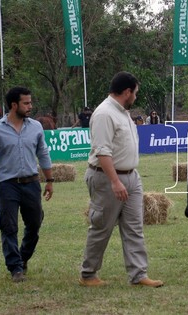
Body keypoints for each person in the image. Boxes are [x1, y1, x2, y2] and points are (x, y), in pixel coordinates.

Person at [79, 71, 163, 288]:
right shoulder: (104, 114)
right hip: (107, 178)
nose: (136, 96)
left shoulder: (123, 112)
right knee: (102, 227)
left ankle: (138, 274)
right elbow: (102, 151)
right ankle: (88, 274)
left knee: (135, 227)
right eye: (135, 92)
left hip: (131, 177)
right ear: (127, 92)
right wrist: (115, 181)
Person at [0, 86, 54, 282]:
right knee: (8, 226)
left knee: (35, 224)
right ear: (13, 105)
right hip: (7, 185)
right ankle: (15, 268)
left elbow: (43, 154)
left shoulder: (36, 127)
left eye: (30, 102)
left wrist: (50, 180)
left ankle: (23, 257)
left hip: (31, 183)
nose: (30, 106)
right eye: (26, 103)